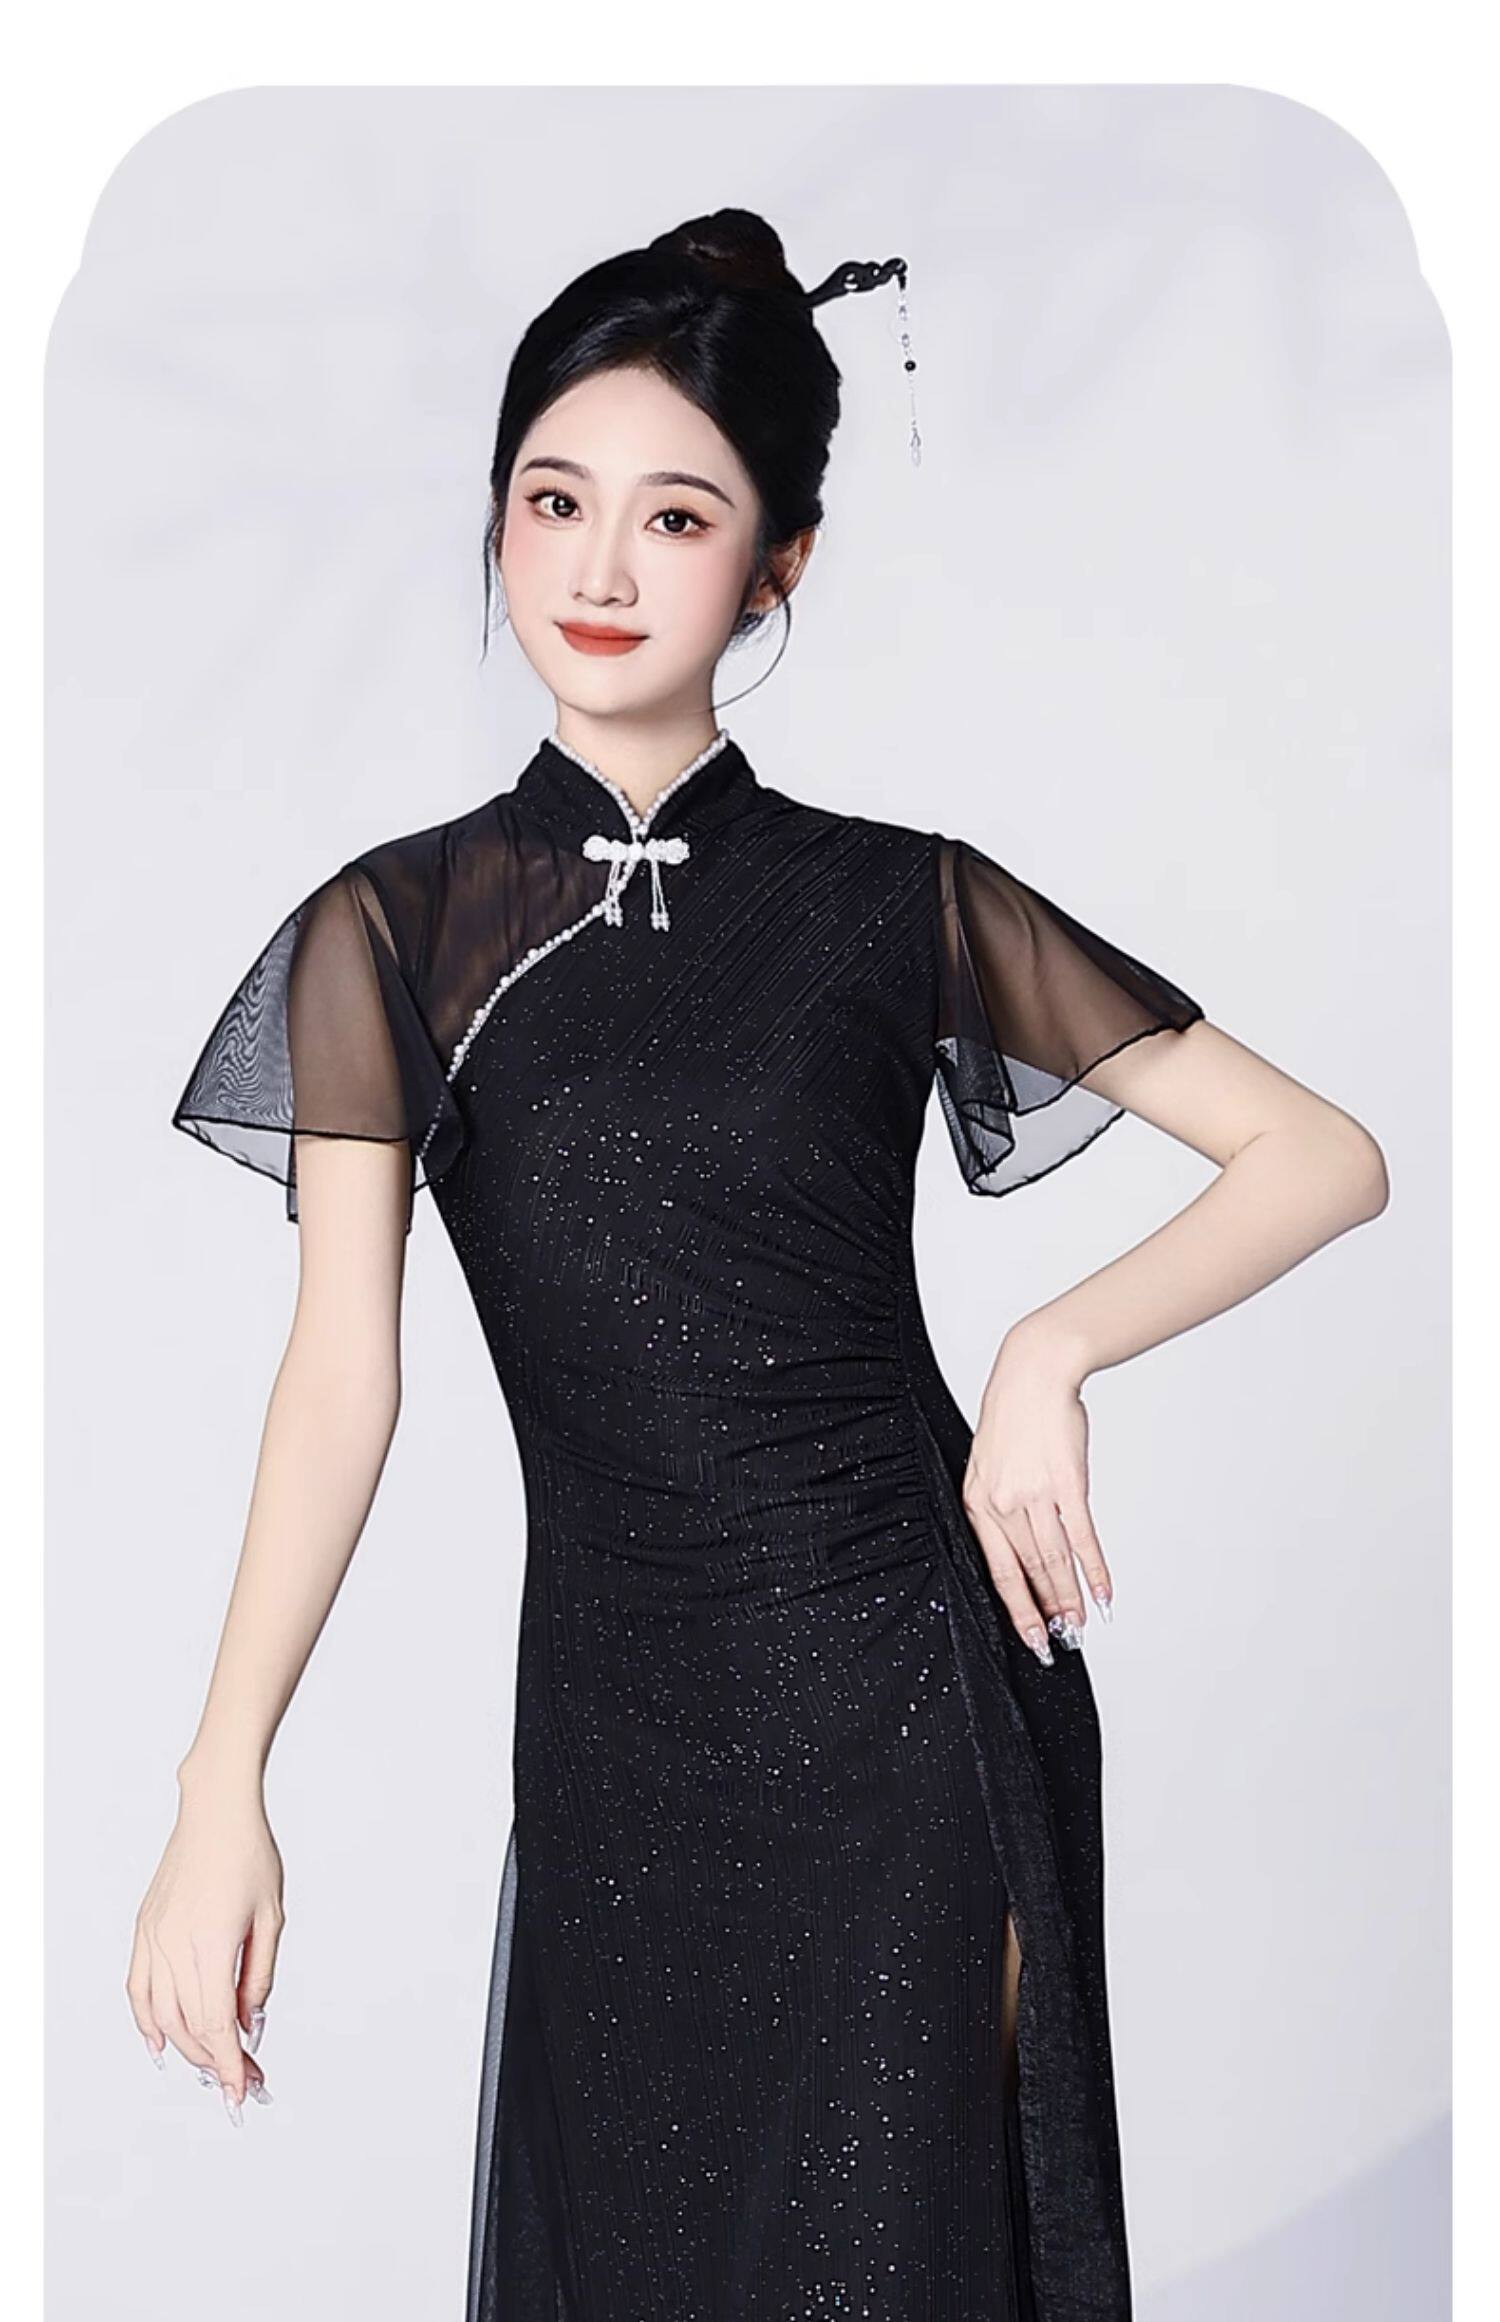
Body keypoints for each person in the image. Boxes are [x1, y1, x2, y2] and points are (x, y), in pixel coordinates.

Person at [127, 206, 1389, 2321]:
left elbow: (1321, 1155)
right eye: (556, 501)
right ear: (498, 515)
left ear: (778, 562)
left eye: (677, 516)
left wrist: (1051, 1350)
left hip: (908, 1708)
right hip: (615, 1758)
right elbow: (343, 1375)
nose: (603, 569)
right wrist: (218, 1780)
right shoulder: (395, 933)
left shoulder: (900, 902)